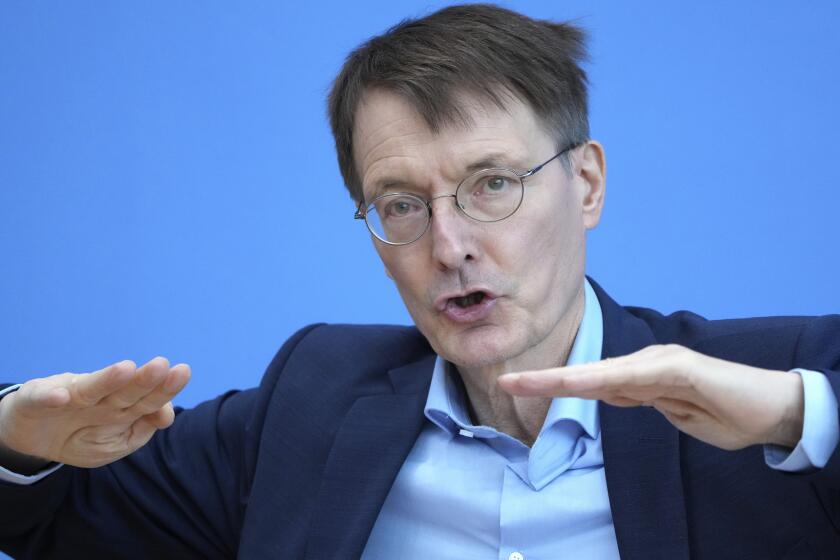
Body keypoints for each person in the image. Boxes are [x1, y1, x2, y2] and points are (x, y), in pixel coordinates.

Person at [1, 4, 838, 559]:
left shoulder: (768, 383)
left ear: (586, 185)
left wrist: (797, 415)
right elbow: (53, 515)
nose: (450, 244)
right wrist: (16, 439)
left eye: (493, 185)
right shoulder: (313, 403)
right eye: (401, 204)